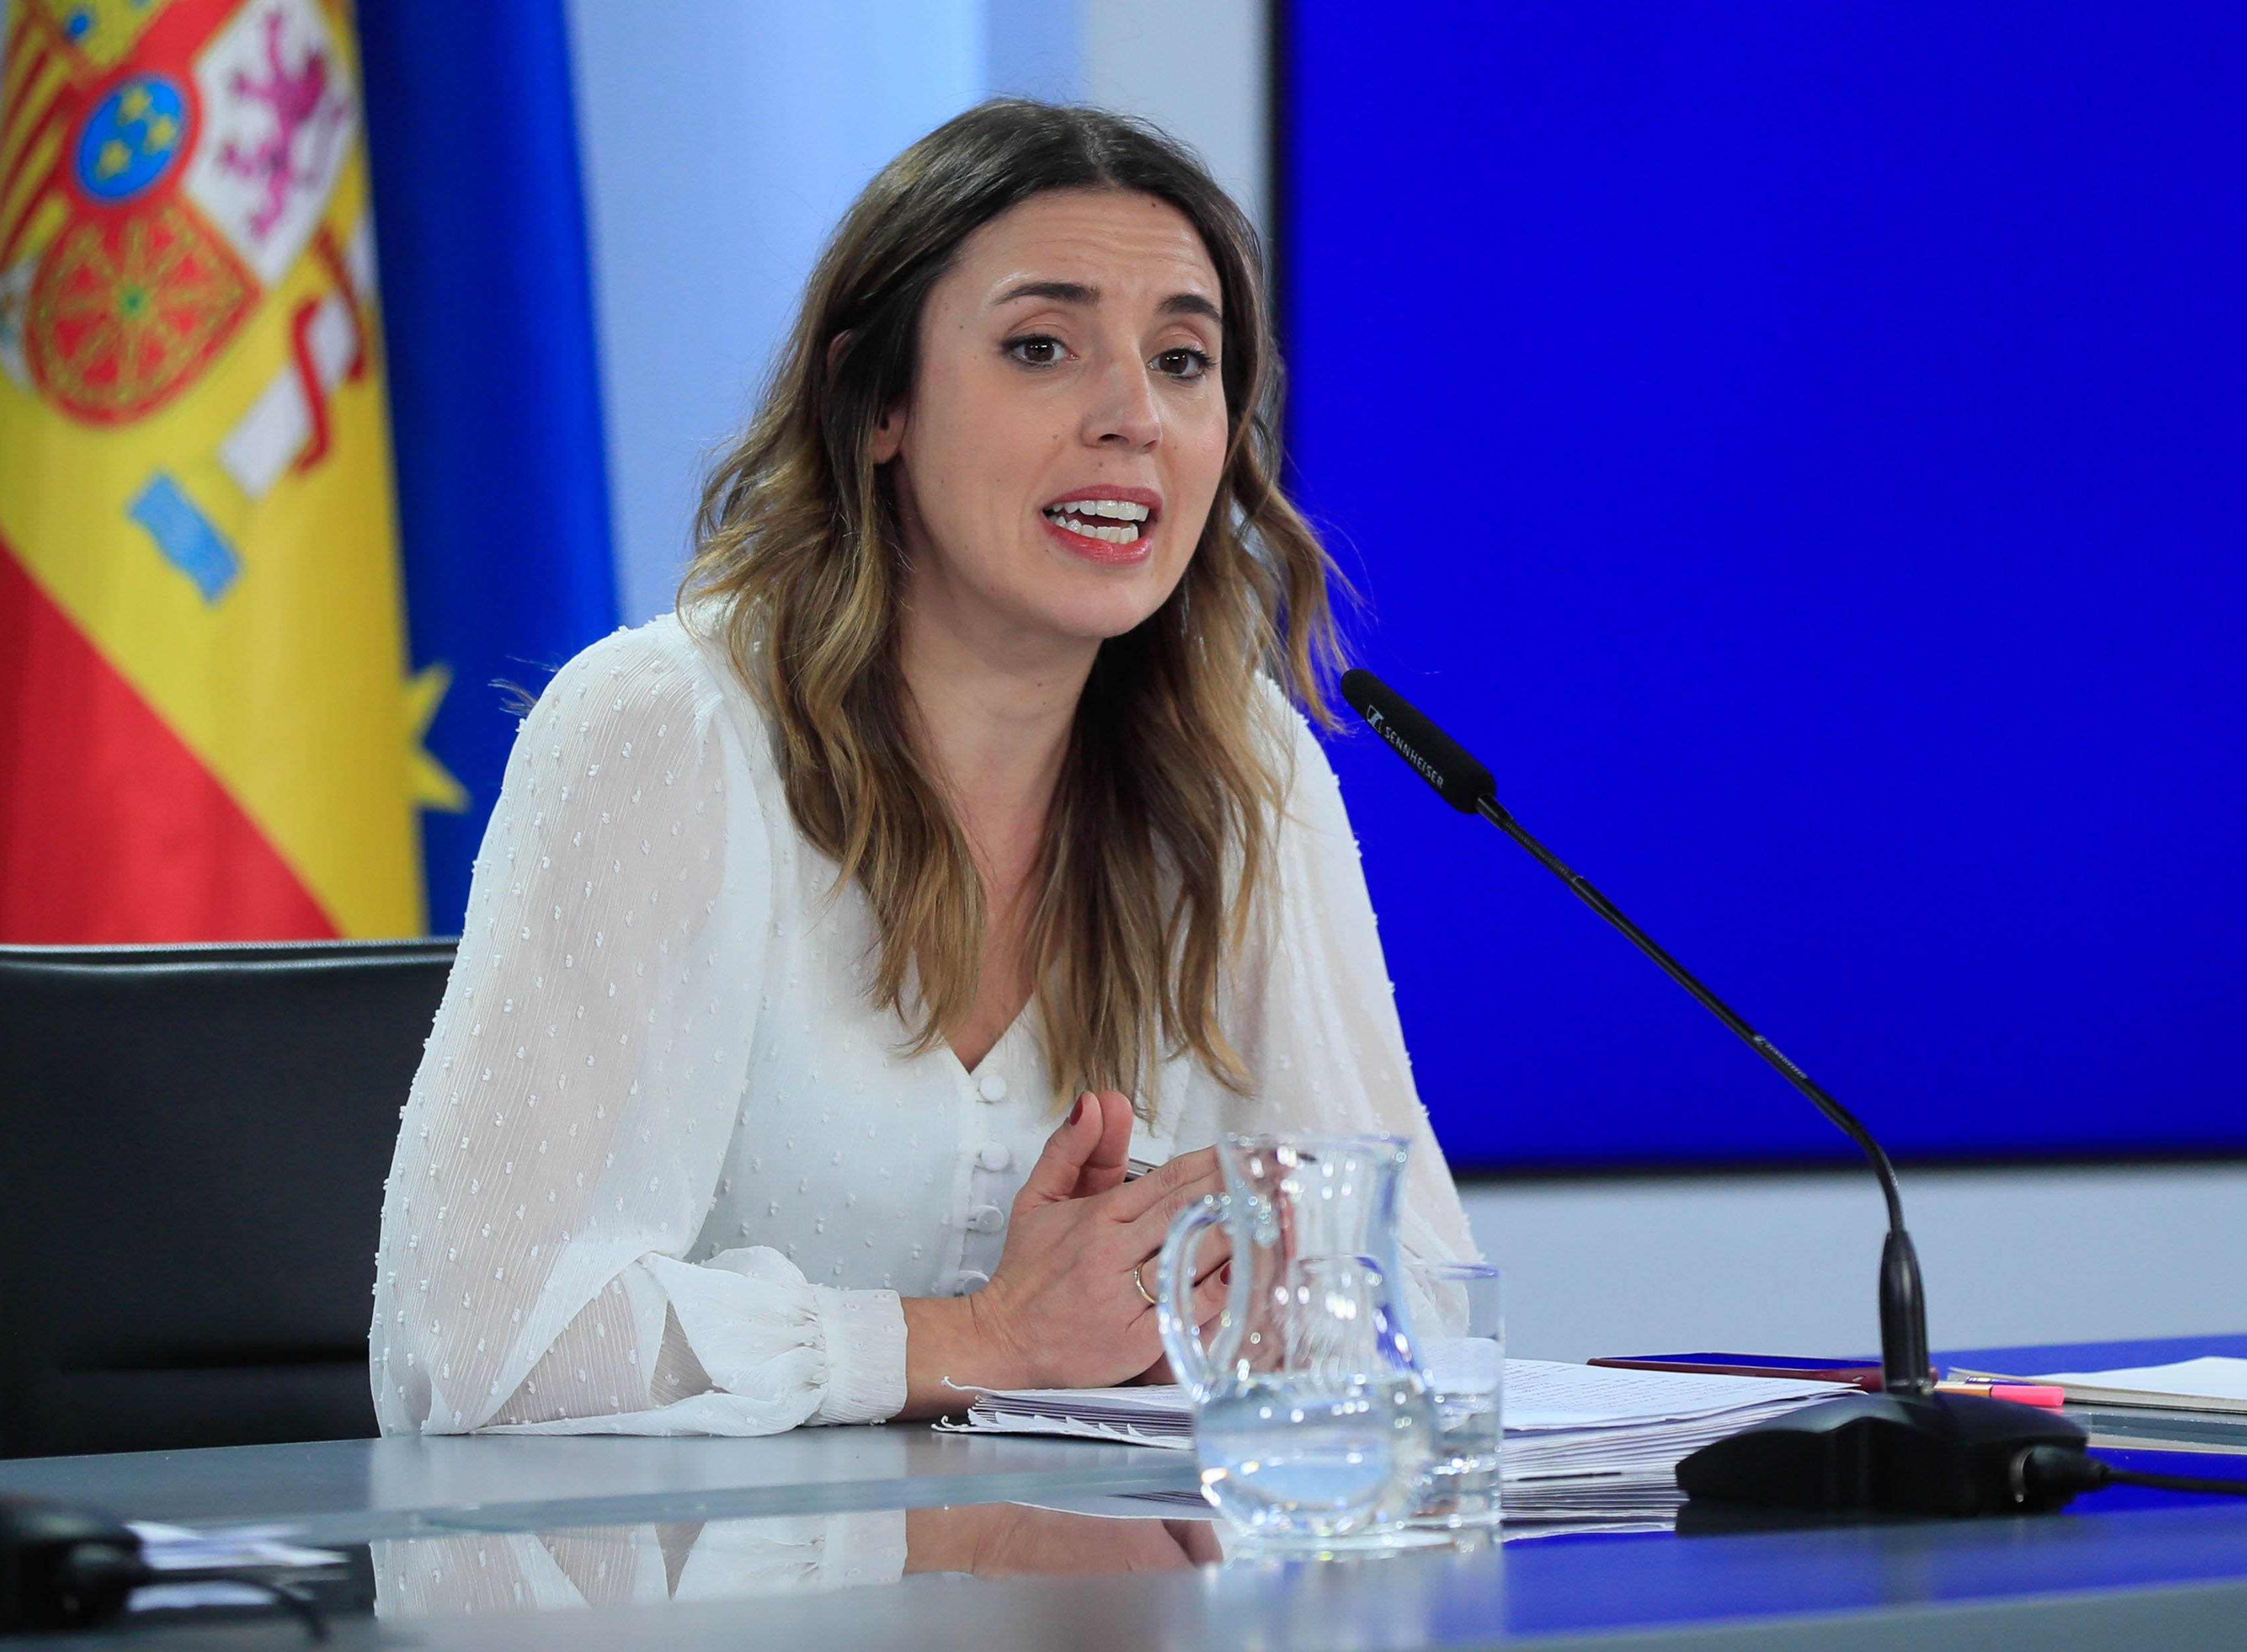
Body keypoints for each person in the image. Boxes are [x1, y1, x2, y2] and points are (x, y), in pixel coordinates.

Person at [370, 99, 1478, 1441]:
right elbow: (469, 1346)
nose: (1133, 415)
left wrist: (1206, 1298)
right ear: (876, 399)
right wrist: (978, 1339)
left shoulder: (1245, 765)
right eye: (1041, 346)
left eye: (1185, 361)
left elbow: (1410, 1289)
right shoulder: (662, 730)